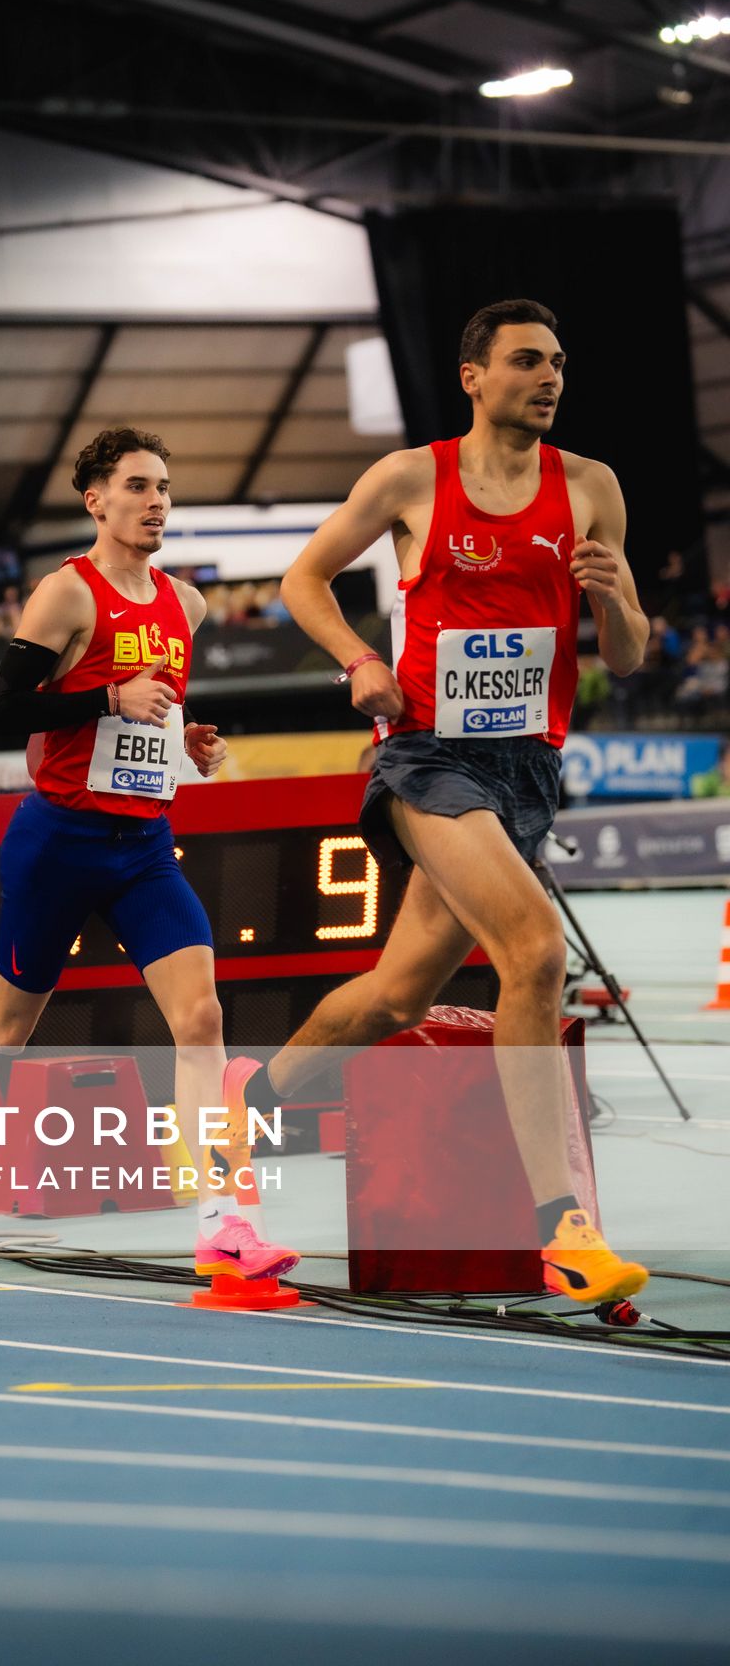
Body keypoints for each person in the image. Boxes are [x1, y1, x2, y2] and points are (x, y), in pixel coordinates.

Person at [225, 299, 649, 1307]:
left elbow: (625, 658)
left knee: (395, 997)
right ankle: (564, 1230)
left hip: (525, 771)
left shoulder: (589, 488)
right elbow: (303, 578)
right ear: (473, 375)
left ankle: (233, 1115)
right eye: (524, 362)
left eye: (556, 362)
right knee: (534, 951)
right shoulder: (412, 477)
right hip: (425, 756)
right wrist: (358, 659)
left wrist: (611, 597)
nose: (547, 378)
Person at [0, 427, 299, 1284]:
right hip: (58, 843)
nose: (156, 502)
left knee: (202, 1020)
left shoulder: (186, 604)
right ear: (96, 500)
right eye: (138, 487)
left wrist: (191, 740)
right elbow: (1, 711)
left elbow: (150, 717)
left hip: (145, 846)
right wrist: (109, 691)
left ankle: (224, 1223)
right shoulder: (64, 596)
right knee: (3, 1032)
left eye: (164, 489)